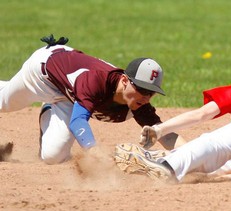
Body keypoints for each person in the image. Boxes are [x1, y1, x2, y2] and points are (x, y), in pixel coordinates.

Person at [0, 34, 185, 164]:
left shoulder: (139, 103)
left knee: (52, 157)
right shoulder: (96, 81)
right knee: (5, 101)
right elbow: (78, 121)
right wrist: (94, 151)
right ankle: (43, 100)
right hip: (45, 75)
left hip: (73, 95)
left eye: (151, 92)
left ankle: (50, 108)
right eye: (141, 89)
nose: (146, 97)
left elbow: (163, 134)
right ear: (124, 80)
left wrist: (190, 153)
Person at [127, 35, 231, 182]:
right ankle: (172, 158)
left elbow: (202, 114)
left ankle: (166, 165)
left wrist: (160, 129)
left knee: (215, 144)